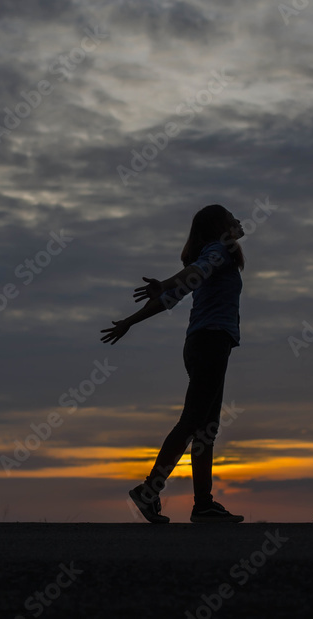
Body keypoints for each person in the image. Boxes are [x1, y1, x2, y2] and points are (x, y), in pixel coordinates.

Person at [100, 204, 246, 523]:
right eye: (232, 218)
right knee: (194, 422)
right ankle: (150, 491)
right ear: (220, 228)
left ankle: (203, 504)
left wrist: (129, 321)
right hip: (211, 342)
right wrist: (163, 285)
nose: (238, 221)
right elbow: (181, 283)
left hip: (202, 344)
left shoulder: (211, 256)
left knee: (205, 428)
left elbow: (171, 297)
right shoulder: (217, 253)